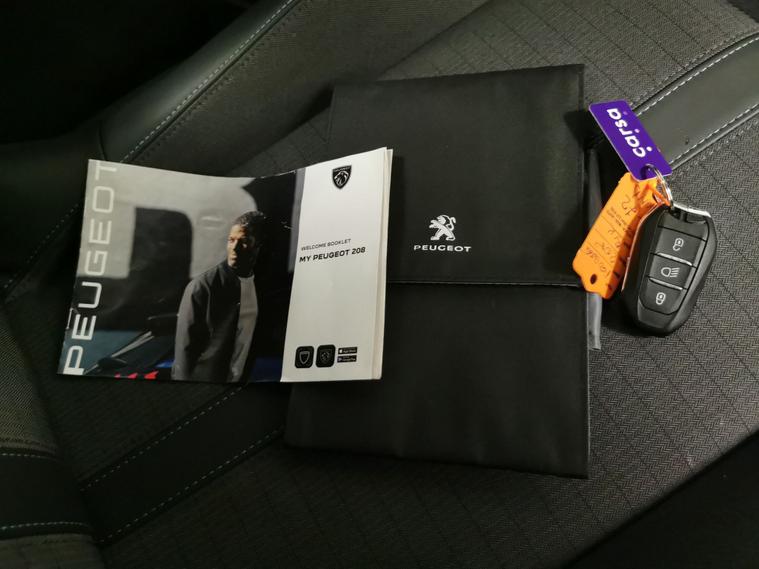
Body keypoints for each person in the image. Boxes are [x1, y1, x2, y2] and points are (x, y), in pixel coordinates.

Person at [172, 211, 265, 382]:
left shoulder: (262, 287)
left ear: (258, 245)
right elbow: (184, 352)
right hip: (203, 386)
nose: (234, 248)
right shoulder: (203, 287)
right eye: (231, 240)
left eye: (244, 241)